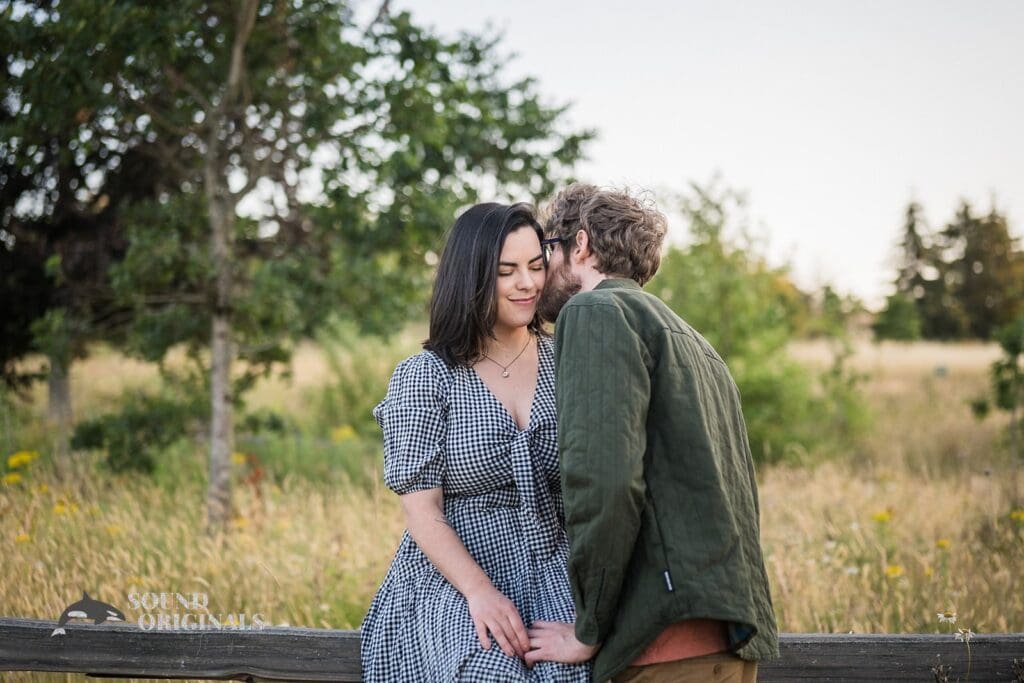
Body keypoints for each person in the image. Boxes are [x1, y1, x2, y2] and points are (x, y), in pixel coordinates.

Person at [525, 185, 779, 682]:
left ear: (579, 245)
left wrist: (588, 628)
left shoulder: (594, 312)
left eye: (546, 252)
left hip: (661, 647)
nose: (539, 274)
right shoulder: (696, 343)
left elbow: (605, 482)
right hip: (731, 644)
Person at [360, 202, 592, 682]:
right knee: (489, 671)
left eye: (535, 265)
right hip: (456, 578)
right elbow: (421, 511)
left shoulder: (569, 359)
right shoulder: (427, 377)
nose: (527, 284)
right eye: (507, 271)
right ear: (471, 278)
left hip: (554, 569)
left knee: (566, 675)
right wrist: (480, 591)